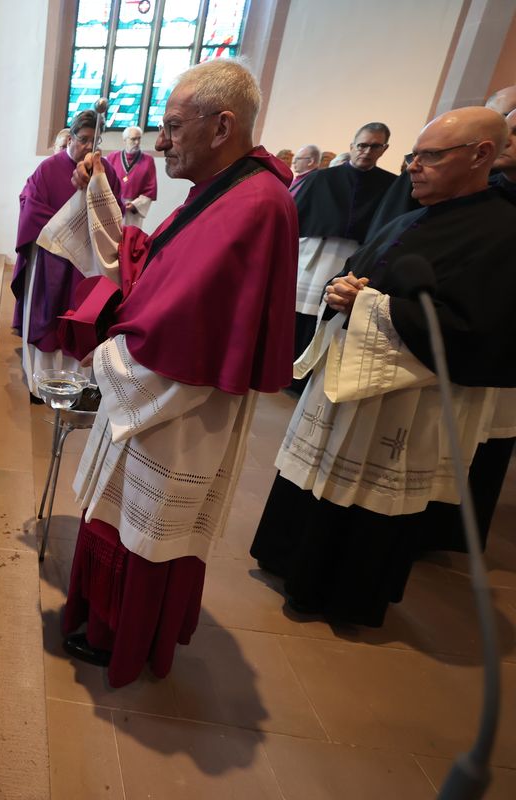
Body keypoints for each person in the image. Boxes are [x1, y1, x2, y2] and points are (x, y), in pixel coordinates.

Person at [50, 59, 297, 687]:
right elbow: (153, 265)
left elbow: (191, 326)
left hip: (177, 404)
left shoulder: (256, 204)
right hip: (163, 393)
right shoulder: (227, 189)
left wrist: (109, 357)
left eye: (171, 127)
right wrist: (100, 191)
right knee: (124, 517)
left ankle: (121, 638)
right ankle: (105, 622)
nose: (159, 143)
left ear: (222, 127)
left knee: (147, 527)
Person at [250, 107, 516, 626]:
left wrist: (373, 306)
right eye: (414, 156)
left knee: (367, 492)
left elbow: (481, 328)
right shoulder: (411, 214)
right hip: (352, 376)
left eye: (431, 156)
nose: (414, 167)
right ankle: (288, 559)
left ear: (481, 154)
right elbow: (358, 269)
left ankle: (338, 593)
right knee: (319, 476)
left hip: (406, 400)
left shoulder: (503, 233)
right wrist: (342, 287)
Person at [289, 123, 396, 389]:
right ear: (352, 146)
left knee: (328, 316)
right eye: (362, 145)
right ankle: (286, 369)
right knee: (299, 314)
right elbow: (296, 218)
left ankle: (310, 374)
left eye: (375, 146)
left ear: (384, 149)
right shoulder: (320, 179)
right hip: (315, 256)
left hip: (353, 259)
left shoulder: (390, 185)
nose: (367, 151)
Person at [11, 110, 103, 396]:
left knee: (81, 320)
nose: (88, 147)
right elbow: (32, 209)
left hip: (86, 264)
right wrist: (67, 230)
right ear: (71, 137)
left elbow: (114, 212)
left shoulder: (104, 172)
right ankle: (42, 383)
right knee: (48, 320)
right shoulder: (48, 170)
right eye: (83, 139)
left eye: (94, 141)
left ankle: (78, 385)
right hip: (52, 262)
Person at [105, 125, 158, 227]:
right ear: (125, 140)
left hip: (133, 211)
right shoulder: (112, 158)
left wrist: (135, 204)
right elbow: (104, 183)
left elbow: (150, 189)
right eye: (133, 139)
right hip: (112, 207)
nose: (137, 142)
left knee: (130, 238)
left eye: (139, 139)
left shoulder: (148, 160)